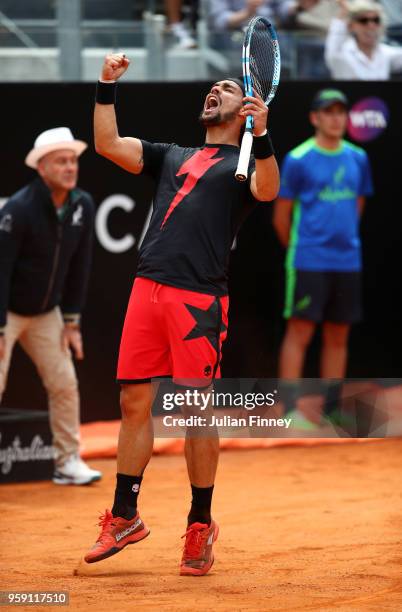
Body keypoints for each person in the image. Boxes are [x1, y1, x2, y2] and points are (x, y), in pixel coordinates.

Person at [84, 54, 279, 574]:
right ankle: (125, 514)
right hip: (146, 289)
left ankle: (199, 524)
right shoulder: (172, 155)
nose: (214, 90)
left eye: (227, 88)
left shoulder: (245, 168)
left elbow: (269, 189)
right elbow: (107, 145)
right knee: (133, 403)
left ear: (245, 110)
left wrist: (261, 139)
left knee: (195, 412)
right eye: (212, 86)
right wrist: (106, 85)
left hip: (199, 302)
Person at [0, 127, 101, 486]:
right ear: (42, 168)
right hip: (7, 313)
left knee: (64, 383)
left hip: (47, 314)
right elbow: (2, 269)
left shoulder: (82, 205)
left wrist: (71, 320)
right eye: (61, 161)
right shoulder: (19, 209)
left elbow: (80, 265)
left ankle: (67, 461)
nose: (70, 167)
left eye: (73, 160)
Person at [273, 89, 373, 426]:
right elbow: (281, 217)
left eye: (341, 112)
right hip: (308, 261)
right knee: (299, 332)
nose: (336, 118)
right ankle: (289, 410)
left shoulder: (358, 157)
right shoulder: (299, 159)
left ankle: (331, 408)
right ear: (315, 118)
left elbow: (357, 205)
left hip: (347, 261)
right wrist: (302, 251)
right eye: (328, 112)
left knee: (338, 335)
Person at [325, 0, 402, 80]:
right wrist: (344, 10)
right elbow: (336, 35)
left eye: (376, 20)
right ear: (351, 26)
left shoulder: (386, 53)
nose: (371, 25)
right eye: (363, 20)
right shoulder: (340, 53)